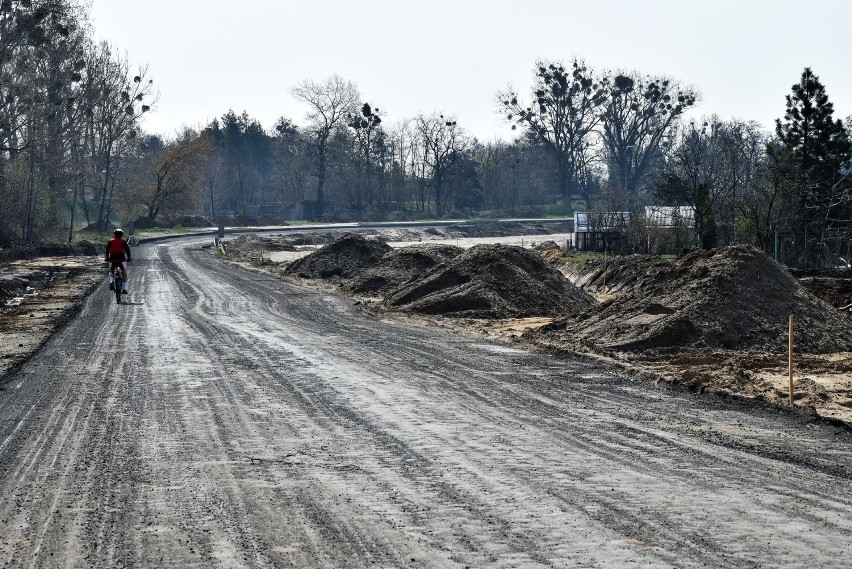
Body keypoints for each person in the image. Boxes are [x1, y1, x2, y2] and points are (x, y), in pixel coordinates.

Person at [105, 228, 132, 294]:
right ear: (121, 235)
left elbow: (107, 250)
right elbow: (127, 250)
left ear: (114, 234)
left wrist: (107, 257)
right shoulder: (123, 241)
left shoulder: (110, 241)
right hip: (121, 258)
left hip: (112, 258)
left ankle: (111, 281)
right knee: (124, 272)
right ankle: (124, 288)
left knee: (111, 271)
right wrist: (129, 258)